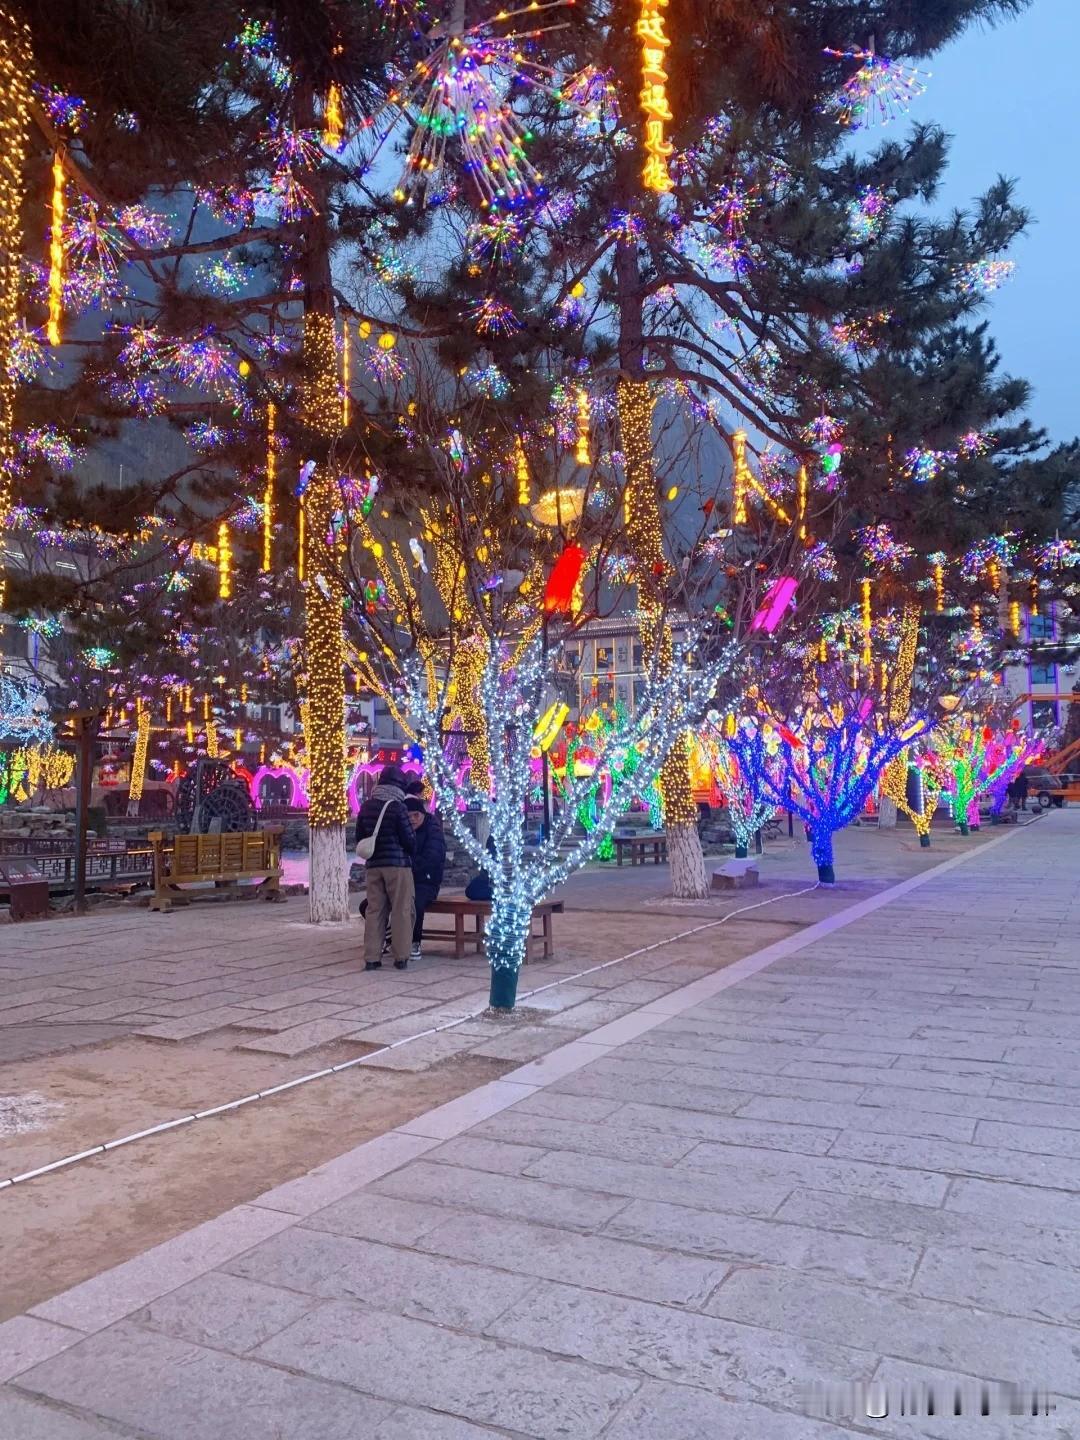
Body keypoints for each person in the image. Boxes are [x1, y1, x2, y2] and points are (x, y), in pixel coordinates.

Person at [355, 764, 415, 971]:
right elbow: (409, 840)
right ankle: (401, 956)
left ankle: (372, 957)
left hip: (373, 866)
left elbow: (359, 838)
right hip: (397, 866)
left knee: (374, 910)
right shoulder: (398, 807)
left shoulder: (366, 806)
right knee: (401, 910)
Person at [406, 796, 446, 960]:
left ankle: (415, 942)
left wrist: (410, 866)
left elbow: (432, 857)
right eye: (409, 816)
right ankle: (392, 936)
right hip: (404, 879)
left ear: (422, 814)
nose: (413, 820)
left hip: (427, 880)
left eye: (416, 815)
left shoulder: (433, 830)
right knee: (371, 905)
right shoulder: (403, 830)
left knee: (416, 903)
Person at [465, 834, 497, 902]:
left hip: (501, 878)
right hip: (489, 879)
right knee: (471, 890)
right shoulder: (493, 837)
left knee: (472, 891)